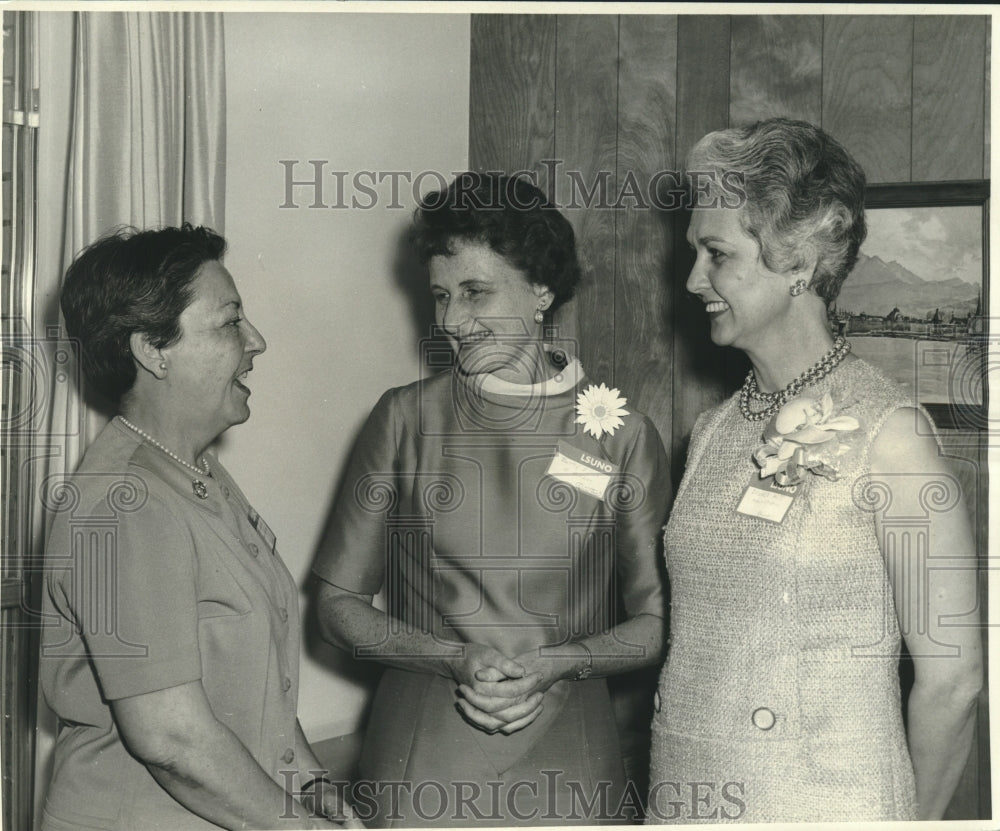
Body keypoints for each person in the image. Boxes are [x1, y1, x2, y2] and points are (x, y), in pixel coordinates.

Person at [648, 118, 983, 823]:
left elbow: (953, 682)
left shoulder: (892, 436)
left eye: (716, 254)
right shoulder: (710, 433)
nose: (691, 279)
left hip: (826, 801)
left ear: (796, 259)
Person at [313, 173, 672, 827]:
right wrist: (452, 657)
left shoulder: (620, 433)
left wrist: (557, 664)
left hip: (572, 763)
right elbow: (337, 607)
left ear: (541, 290)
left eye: (476, 293)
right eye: (442, 296)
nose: (451, 320)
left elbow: (657, 622)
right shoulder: (403, 419)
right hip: (424, 758)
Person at [40, 225, 356, 830]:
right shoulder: (126, 503)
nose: (256, 341)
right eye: (230, 322)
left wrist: (312, 786)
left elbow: (246, 689)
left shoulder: (194, 473)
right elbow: (173, 738)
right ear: (152, 350)